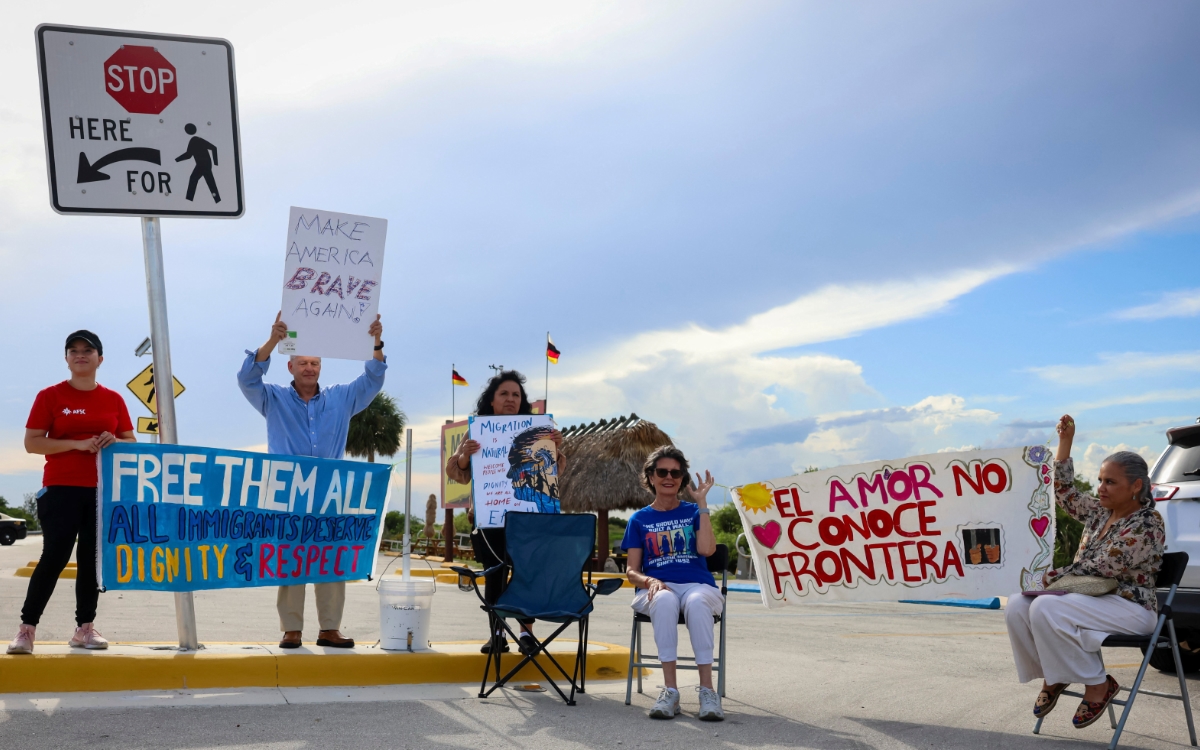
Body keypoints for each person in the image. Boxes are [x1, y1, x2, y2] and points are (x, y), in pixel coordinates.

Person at [237, 312, 386, 649]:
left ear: (321, 367)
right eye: (302, 362)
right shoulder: (272, 398)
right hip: (288, 493)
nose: (309, 368)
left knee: (331, 558)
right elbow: (247, 378)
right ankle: (291, 629)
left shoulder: (341, 398)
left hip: (330, 494)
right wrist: (273, 340)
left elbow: (373, 379)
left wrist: (375, 343)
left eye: (315, 363)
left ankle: (329, 629)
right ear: (290, 366)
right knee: (290, 557)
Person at [1006, 414, 1165, 729]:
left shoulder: (1147, 522)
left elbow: (1105, 564)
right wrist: (1066, 442)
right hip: (1088, 597)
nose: (1101, 488)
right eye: (1100, 480)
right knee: (1016, 606)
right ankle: (1056, 675)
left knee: (1046, 605)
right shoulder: (1099, 512)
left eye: (1110, 482)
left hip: (1130, 606)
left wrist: (1049, 578)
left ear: (1135, 486)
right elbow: (1064, 493)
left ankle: (1097, 685)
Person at [8, 330, 136, 654]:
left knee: (92, 561)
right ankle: (26, 630)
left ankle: (85, 629)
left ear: (100, 359)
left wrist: (113, 441)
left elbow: (131, 445)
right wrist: (76, 444)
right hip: (61, 488)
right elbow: (32, 442)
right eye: (74, 350)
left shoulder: (113, 399)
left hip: (101, 491)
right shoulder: (50, 396)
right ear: (66, 359)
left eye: (88, 350)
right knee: (54, 557)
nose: (81, 355)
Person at [445, 370, 565, 655]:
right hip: (489, 520)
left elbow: (556, 473)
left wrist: (556, 448)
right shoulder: (477, 429)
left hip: (528, 520)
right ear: (492, 401)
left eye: (516, 395)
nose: (511, 399)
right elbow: (457, 474)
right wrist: (464, 457)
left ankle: (526, 634)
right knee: (495, 576)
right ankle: (497, 634)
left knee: (526, 575)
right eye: (504, 394)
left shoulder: (539, 430)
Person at [622, 445, 725, 722]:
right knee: (665, 599)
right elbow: (631, 571)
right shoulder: (639, 519)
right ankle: (670, 691)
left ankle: (707, 691)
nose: (670, 476)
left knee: (696, 601)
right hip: (658, 586)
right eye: (663, 471)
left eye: (676, 472)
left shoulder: (694, 512)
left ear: (682, 478)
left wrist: (703, 505)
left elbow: (706, 551)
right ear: (651, 476)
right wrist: (650, 580)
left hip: (698, 585)